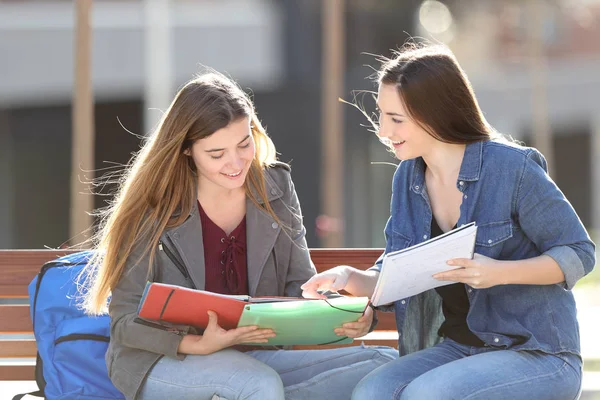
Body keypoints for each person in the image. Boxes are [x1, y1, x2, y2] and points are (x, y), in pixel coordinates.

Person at [301, 44, 595, 400]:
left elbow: (578, 253)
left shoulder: (511, 168)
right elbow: (397, 273)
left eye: (396, 119)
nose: (382, 130)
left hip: (537, 353)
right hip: (459, 348)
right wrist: (350, 278)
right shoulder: (408, 178)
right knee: (371, 392)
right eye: (381, 115)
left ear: (435, 114)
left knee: (427, 394)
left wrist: (498, 272)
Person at [81, 72, 397, 400]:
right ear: (186, 150)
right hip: (166, 359)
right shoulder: (154, 205)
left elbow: (300, 287)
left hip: (254, 355)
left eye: (244, 144)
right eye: (216, 154)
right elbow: (124, 322)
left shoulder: (275, 188)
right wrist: (198, 344)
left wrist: (345, 313)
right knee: (257, 385)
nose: (235, 163)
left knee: (382, 365)